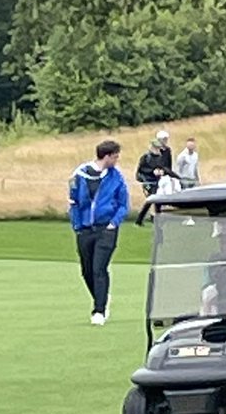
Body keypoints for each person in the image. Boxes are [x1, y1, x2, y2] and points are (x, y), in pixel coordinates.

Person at [69, 139, 130, 325]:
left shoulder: (116, 177)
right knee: (86, 270)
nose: (117, 160)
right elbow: (73, 202)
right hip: (85, 229)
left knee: (99, 268)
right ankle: (101, 296)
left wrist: (114, 223)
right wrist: (77, 225)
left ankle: (99, 310)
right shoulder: (80, 175)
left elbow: (123, 204)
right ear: (107, 156)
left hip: (106, 228)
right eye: (115, 156)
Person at [136, 130, 174, 197]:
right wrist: (152, 172)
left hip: (158, 182)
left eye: (159, 148)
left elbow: (165, 168)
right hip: (147, 183)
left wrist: (162, 172)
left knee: (159, 195)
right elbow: (140, 172)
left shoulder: (160, 157)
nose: (158, 150)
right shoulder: (145, 157)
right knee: (151, 195)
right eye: (156, 148)